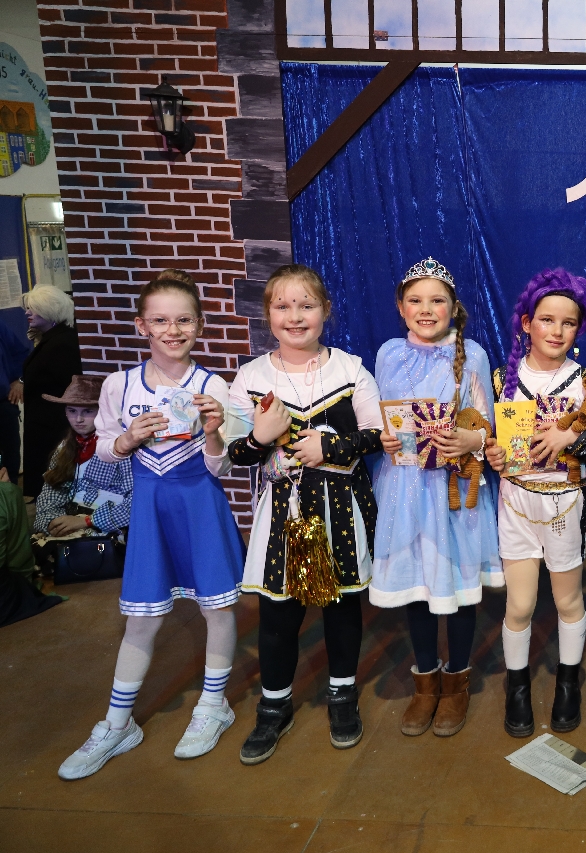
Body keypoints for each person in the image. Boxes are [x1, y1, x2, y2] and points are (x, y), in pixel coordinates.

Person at [57, 273, 245, 780]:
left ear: (199, 325)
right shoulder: (119, 384)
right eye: (160, 320)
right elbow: (101, 450)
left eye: (183, 320)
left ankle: (213, 705)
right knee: (141, 619)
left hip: (200, 506)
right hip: (150, 511)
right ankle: (117, 724)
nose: (172, 330)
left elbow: (221, 466)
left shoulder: (212, 385)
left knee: (217, 608)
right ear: (142, 326)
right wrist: (125, 442)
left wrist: (213, 433)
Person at [225, 265, 382, 764]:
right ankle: (274, 706)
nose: (295, 316)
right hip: (282, 513)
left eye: (306, 306)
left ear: (325, 311)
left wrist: (329, 447)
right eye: (283, 306)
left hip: (340, 509)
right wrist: (259, 438)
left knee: (342, 608)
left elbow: (377, 435)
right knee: (277, 613)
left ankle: (342, 695)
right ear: (268, 313)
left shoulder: (350, 370)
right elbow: (233, 452)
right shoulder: (251, 377)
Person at [370, 257, 500, 739]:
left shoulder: (474, 356)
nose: (426, 310)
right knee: (418, 586)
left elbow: (487, 425)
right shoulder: (388, 354)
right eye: (416, 301)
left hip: (452, 491)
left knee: (458, 586)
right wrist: (381, 437)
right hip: (405, 488)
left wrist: (471, 440)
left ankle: (457, 681)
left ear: (453, 307)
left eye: (437, 301)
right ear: (401, 307)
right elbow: (380, 417)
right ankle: (425, 681)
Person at [485, 268, 586, 737]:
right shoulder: (502, 378)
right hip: (516, 503)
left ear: (579, 329)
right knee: (519, 605)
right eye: (546, 319)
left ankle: (568, 682)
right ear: (526, 323)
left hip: (563, 505)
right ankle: (517, 688)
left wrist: (570, 438)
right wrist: (491, 453)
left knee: (567, 600)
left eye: (568, 322)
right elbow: (488, 439)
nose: (556, 331)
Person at [32, 375, 132, 555]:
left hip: (107, 528)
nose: (78, 419)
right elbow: (52, 489)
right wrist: (53, 521)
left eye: (87, 411)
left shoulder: (120, 447)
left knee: (88, 552)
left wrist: (87, 521)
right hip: (71, 519)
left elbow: (136, 502)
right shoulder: (66, 446)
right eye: (71, 411)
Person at [14, 285, 82, 498]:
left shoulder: (62, 343)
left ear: (49, 310)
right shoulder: (50, 338)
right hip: (44, 423)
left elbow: (70, 386)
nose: (27, 313)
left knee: (53, 481)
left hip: (54, 426)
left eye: (33, 309)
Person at [0, 319, 30, 480]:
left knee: (10, 457)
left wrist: (20, 380)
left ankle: (10, 493)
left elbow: (21, 354)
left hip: (4, 404)